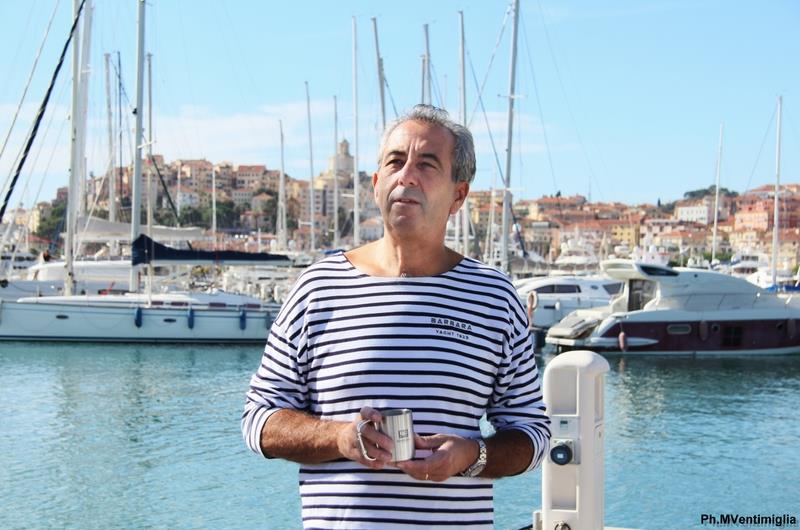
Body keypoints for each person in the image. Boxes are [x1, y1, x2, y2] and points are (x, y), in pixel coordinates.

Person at [242, 104, 550, 529]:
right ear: (375, 184)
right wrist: (340, 438)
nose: (407, 175)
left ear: (458, 195)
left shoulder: (494, 298)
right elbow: (259, 419)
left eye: (427, 164)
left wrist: (471, 456)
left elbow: (533, 434)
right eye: (395, 161)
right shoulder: (316, 288)